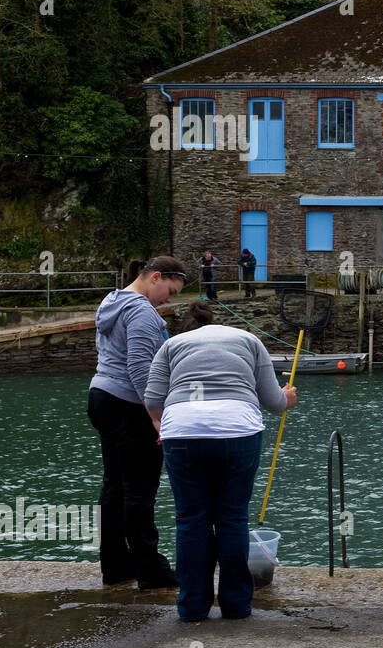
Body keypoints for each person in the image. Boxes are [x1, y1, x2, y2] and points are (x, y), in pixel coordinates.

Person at [143, 301, 298, 622]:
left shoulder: (171, 345)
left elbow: (153, 398)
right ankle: (236, 605)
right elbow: (273, 402)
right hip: (237, 428)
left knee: (191, 519)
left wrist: (162, 427)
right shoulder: (250, 341)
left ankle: (192, 607)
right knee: (232, 518)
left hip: (182, 432)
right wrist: (288, 399)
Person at [87, 256, 188, 588]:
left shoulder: (111, 301)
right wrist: (158, 419)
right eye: (170, 291)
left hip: (101, 397)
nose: (168, 300)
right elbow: (140, 370)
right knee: (139, 490)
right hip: (130, 406)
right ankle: (150, 570)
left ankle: (114, 565)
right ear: (155, 277)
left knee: (114, 486)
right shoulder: (143, 313)